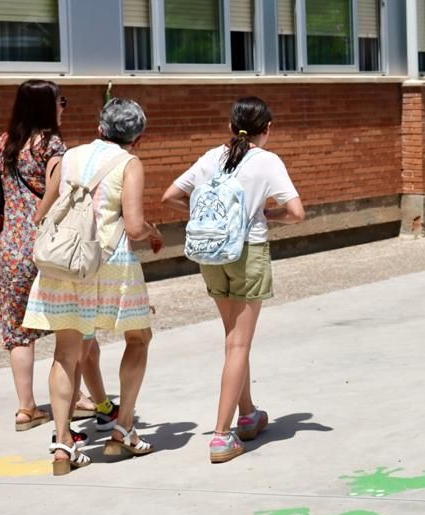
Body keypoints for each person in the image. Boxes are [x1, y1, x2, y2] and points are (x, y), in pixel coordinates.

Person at [23, 98, 165, 474]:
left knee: (66, 351)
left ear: (100, 126)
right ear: (138, 137)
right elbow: (133, 227)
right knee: (138, 338)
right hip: (108, 263)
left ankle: (63, 445)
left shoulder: (69, 156)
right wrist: (152, 232)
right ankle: (122, 430)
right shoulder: (129, 164)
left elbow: (43, 212)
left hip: (66, 262)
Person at [162, 96, 305, 464]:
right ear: (267, 129)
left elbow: (171, 195)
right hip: (247, 252)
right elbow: (296, 212)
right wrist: (263, 216)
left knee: (232, 339)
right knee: (239, 345)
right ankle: (222, 437)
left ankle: (247, 414)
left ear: (230, 126)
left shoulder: (211, 157)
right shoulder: (267, 161)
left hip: (211, 253)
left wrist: (203, 214)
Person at [0, 81, 113, 432]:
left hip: (8, 248)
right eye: (61, 100)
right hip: (48, 247)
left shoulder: (3, 143)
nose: (64, 106)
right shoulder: (53, 144)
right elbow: (58, 186)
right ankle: (74, 400)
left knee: (18, 331)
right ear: (48, 106)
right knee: (68, 326)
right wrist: (39, 217)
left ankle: (26, 409)